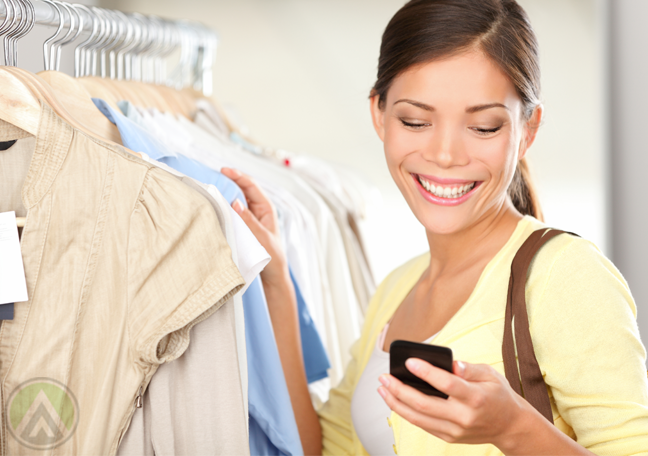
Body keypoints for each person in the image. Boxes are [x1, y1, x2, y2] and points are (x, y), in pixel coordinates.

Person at [221, 0, 648, 454]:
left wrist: (513, 428)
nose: (445, 154)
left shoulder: (564, 276)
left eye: (483, 127)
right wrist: (278, 283)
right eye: (416, 121)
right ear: (378, 115)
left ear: (527, 129)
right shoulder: (396, 290)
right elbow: (321, 450)